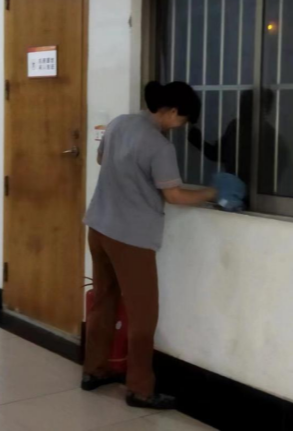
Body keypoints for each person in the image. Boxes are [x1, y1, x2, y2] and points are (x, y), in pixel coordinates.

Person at [82, 80, 218, 410]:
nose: (180, 126)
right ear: (172, 111)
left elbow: (101, 160)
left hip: (99, 226)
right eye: (183, 120)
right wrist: (212, 193)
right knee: (143, 315)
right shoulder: (159, 146)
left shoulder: (119, 123)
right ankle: (140, 389)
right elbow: (174, 195)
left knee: (103, 301)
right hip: (131, 238)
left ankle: (94, 370)